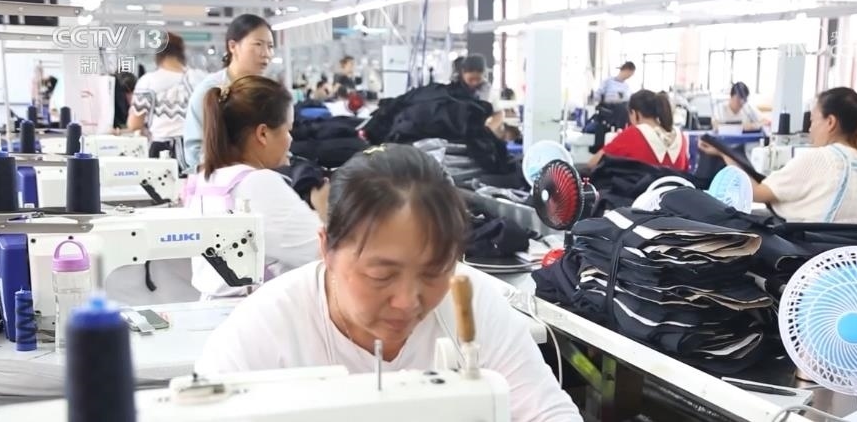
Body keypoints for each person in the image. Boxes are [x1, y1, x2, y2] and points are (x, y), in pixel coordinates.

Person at [194, 144, 582, 422]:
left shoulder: (472, 303)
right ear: (326, 248)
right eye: (381, 275)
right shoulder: (261, 333)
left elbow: (548, 412)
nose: (407, 301)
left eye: (434, 271)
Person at [185, 75, 327, 299]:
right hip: (255, 310)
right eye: (287, 130)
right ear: (263, 134)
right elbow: (325, 252)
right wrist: (323, 210)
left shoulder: (205, 179)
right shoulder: (258, 184)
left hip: (212, 306)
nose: (290, 140)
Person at [698, 87, 857, 229]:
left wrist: (723, 154)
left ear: (830, 122)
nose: (810, 129)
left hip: (814, 258)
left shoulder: (821, 158)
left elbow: (755, 192)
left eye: (813, 120)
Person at [183, 14, 275, 172]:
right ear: (233, 46)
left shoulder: (267, 91)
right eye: (258, 44)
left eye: (270, 46)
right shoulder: (210, 91)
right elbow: (194, 153)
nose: (266, 53)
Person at [128, 32, 206, 161]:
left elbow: (134, 124)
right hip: (196, 149)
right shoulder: (199, 78)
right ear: (181, 54)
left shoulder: (148, 82)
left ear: (158, 55)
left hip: (162, 149)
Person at [588, 89, 688, 171]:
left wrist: (620, 138)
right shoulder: (680, 136)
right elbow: (686, 169)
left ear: (635, 113)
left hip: (641, 189)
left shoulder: (634, 133)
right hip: (676, 189)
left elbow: (593, 163)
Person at [453, 54, 503, 134]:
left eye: (478, 79)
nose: (474, 83)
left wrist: (487, 131)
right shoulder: (452, 90)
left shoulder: (488, 90)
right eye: (471, 79)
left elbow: (499, 114)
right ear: (463, 73)